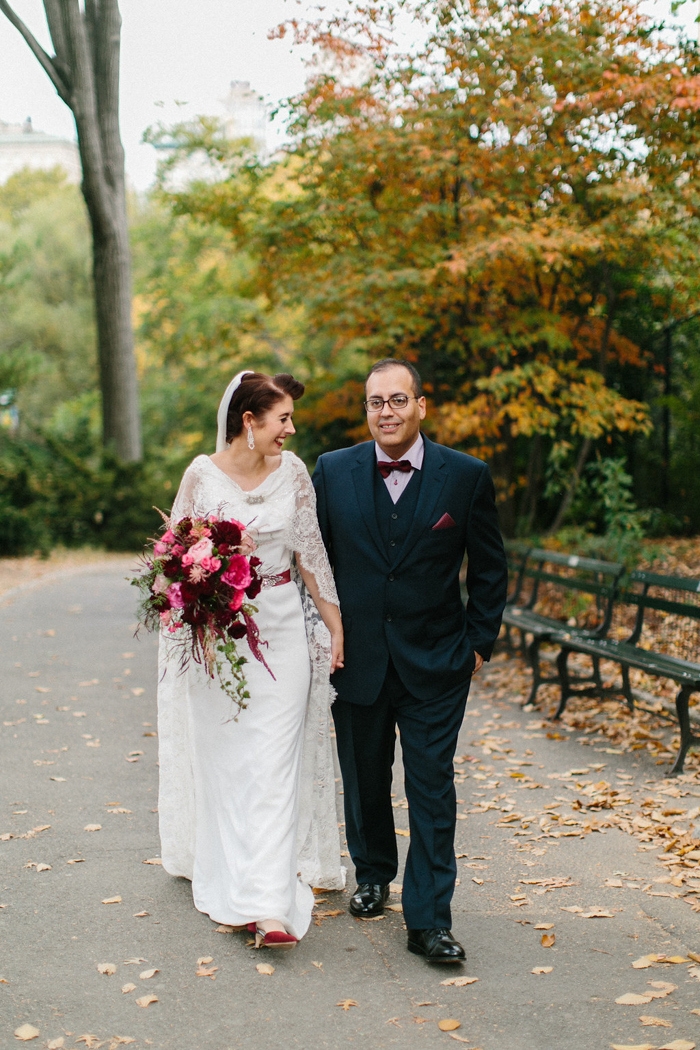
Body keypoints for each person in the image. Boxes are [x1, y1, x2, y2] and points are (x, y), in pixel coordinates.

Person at [313, 359, 508, 963]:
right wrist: (322, 639)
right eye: (376, 402)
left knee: (431, 788)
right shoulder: (332, 471)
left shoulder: (466, 476)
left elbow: (491, 567)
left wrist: (477, 645)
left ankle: (428, 919)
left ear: (422, 406)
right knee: (365, 777)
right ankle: (373, 872)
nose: (387, 412)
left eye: (398, 400)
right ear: (366, 409)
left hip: (437, 663)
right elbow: (311, 564)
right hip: (356, 660)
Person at [157, 370, 345, 949]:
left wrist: (337, 630)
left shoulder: (294, 474)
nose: (291, 429)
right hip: (222, 634)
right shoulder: (202, 473)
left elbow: (311, 555)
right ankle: (234, 878)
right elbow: (172, 552)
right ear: (250, 421)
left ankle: (267, 906)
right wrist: (191, 600)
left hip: (285, 629)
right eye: (283, 418)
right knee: (231, 764)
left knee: (273, 764)